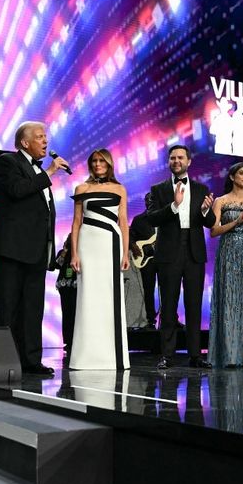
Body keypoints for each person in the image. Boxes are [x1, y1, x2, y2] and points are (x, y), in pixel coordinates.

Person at [0, 121, 70, 375]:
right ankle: (5, 360)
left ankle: (31, 361)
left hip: (35, 250)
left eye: (46, 137)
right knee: (9, 307)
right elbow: (16, 190)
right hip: (12, 248)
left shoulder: (38, 171)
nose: (45, 141)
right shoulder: (8, 162)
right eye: (39, 137)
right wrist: (49, 174)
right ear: (25, 142)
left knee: (33, 308)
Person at [146, 145, 216, 370]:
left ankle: (195, 355)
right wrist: (174, 206)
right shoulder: (158, 189)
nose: (176, 161)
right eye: (173, 158)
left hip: (194, 251)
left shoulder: (201, 188)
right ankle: (167, 355)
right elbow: (153, 219)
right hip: (168, 252)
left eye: (180, 157)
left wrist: (206, 211)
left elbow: (210, 222)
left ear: (189, 161)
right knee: (168, 305)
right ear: (168, 162)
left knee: (194, 305)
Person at [69, 149, 131, 370]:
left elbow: (123, 221)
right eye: (94, 161)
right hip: (87, 245)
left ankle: (112, 359)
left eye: (101, 161)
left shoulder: (119, 189)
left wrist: (125, 253)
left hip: (110, 244)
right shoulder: (81, 189)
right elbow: (76, 222)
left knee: (109, 296)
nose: (97, 164)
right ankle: (84, 357)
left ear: (109, 163)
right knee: (87, 297)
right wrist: (74, 254)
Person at [207, 162, 243, 367]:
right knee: (229, 299)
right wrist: (236, 221)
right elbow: (213, 231)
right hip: (228, 252)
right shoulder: (221, 201)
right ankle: (228, 355)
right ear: (232, 177)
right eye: (241, 173)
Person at [129, 193, 159, 328]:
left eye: (152, 200)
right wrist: (134, 246)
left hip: (165, 258)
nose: (149, 202)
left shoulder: (164, 219)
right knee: (148, 289)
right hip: (147, 260)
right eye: (147, 200)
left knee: (169, 289)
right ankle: (150, 319)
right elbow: (129, 236)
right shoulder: (138, 220)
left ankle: (171, 318)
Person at [53, 233, 77, 364]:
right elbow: (56, 265)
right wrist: (65, 251)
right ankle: (67, 341)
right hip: (64, 286)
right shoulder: (63, 252)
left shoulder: (80, 252)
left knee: (75, 314)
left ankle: (76, 340)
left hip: (76, 286)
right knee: (66, 314)